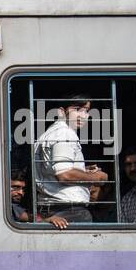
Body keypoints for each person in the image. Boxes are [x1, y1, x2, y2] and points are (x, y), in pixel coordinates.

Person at [33, 94, 106, 225]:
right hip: (70, 210)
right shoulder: (65, 133)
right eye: (77, 109)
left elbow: (52, 170)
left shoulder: (49, 133)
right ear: (62, 111)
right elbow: (64, 174)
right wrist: (97, 178)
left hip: (53, 209)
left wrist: (83, 171)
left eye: (87, 111)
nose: (83, 115)